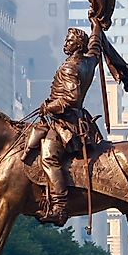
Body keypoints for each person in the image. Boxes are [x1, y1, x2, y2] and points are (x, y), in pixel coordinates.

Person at [27, 20, 106, 226]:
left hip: (66, 123)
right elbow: (96, 47)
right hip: (81, 120)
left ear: (78, 45)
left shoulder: (70, 67)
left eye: (69, 41)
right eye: (66, 39)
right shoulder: (89, 61)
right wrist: (96, 26)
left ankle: (59, 207)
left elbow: (71, 98)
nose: (65, 43)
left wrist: (49, 107)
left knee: (49, 159)